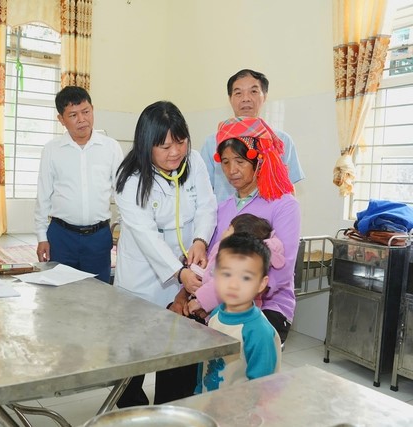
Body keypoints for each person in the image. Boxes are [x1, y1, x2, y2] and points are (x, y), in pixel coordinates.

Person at [114, 100, 217, 406]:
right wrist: (179, 271)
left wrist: (200, 241)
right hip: (143, 280)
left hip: (184, 278)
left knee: (178, 355)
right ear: (146, 146)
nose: (175, 152)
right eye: (165, 146)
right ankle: (133, 411)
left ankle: (171, 412)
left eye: (180, 142)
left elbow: (207, 205)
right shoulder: (129, 180)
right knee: (133, 359)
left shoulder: (194, 162)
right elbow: (146, 235)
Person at [175, 116, 301, 344]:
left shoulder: (284, 204)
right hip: (218, 299)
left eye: (240, 161)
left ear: (258, 160)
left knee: (242, 356)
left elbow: (281, 272)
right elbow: (211, 262)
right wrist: (190, 291)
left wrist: (214, 298)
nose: (232, 170)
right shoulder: (222, 208)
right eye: (225, 162)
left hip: (268, 305)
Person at [34, 86, 123, 283]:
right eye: (73, 115)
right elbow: (43, 196)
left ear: (93, 109)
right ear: (61, 119)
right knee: (60, 294)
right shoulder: (52, 150)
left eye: (86, 111)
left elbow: (122, 193)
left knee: (98, 292)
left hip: (98, 237)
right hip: (61, 236)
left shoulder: (110, 148)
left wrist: (125, 229)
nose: (82, 119)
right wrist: (42, 237)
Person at [200, 69, 305, 203]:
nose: (246, 98)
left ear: (264, 96)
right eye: (238, 93)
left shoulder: (281, 140)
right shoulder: (212, 142)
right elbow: (204, 191)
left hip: (268, 215)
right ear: (230, 99)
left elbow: (288, 188)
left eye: (253, 91)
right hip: (225, 215)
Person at [195, 232, 282, 393]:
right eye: (226, 274)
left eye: (246, 277)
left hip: (241, 407)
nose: (233, 284)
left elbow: (261, 387)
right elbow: (205, 361)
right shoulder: (215, 315)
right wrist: (199, 390)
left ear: (261, 284)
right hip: (209, 401)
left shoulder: (259, 332)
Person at [188, 213, 285, 320]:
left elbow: (220, 284)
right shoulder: (223, 250)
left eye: (229, 229)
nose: (224, 231)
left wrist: (200, 301)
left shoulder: (238, 259)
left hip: (235, 315)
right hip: (219, 310)